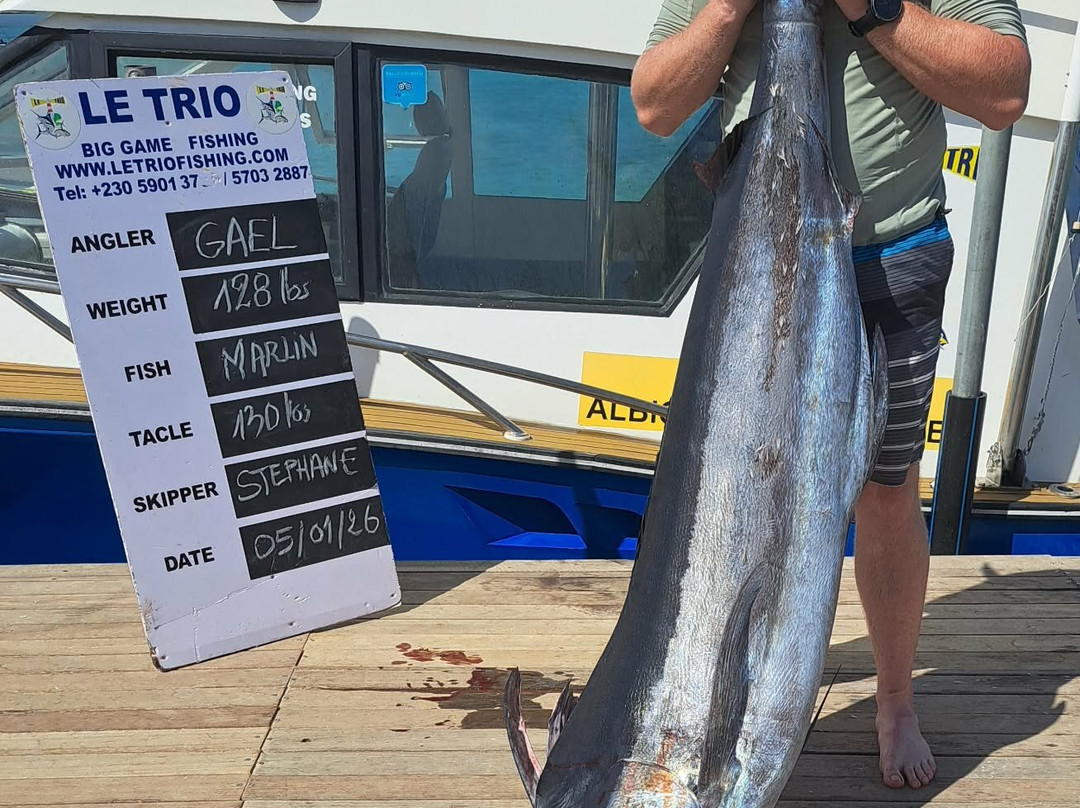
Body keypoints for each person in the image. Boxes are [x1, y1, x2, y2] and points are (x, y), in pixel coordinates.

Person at [630, 0, 1031, 792]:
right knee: (730, 500)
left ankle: (893, 700)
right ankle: (728, 695)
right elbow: (653, 104)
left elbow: (1006, 91)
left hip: (892, 259)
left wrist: (871, 8)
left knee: (885, 490)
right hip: (759, 270)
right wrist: (727, 11)